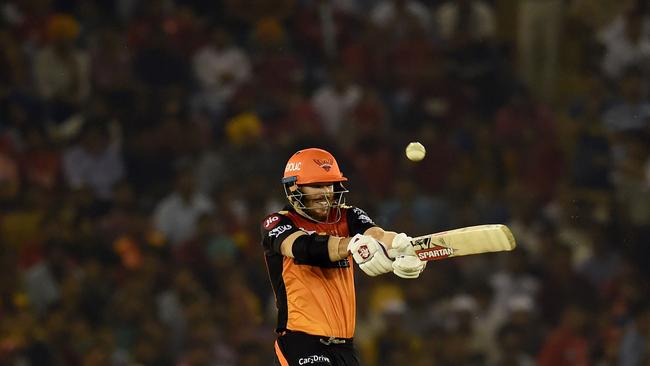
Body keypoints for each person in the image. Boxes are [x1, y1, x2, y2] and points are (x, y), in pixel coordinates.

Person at [261, 147, 425, 365]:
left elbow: (377, 235)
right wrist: (352, 244)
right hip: (301, 341)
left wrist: (402, 246)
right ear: (293, 187)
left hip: (344, 347)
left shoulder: (348, 215)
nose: (325, 193)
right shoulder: (277, 223)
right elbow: (300, 247)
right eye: (316, 186)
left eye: (328, 184)